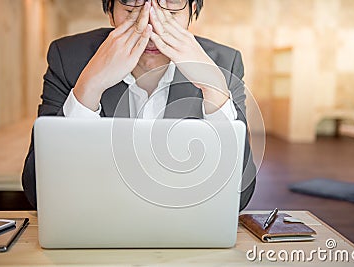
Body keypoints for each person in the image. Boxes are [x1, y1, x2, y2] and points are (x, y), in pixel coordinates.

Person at [22, 0, 257, 210]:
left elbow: (240, 197)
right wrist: (89, 87)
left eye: (171, 3)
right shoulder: (68, 57)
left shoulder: (225, 64)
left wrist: (214, 91)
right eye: (132, 3)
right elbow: (37, 192)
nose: (150, 23)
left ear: (192, 10)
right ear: (110, 11)